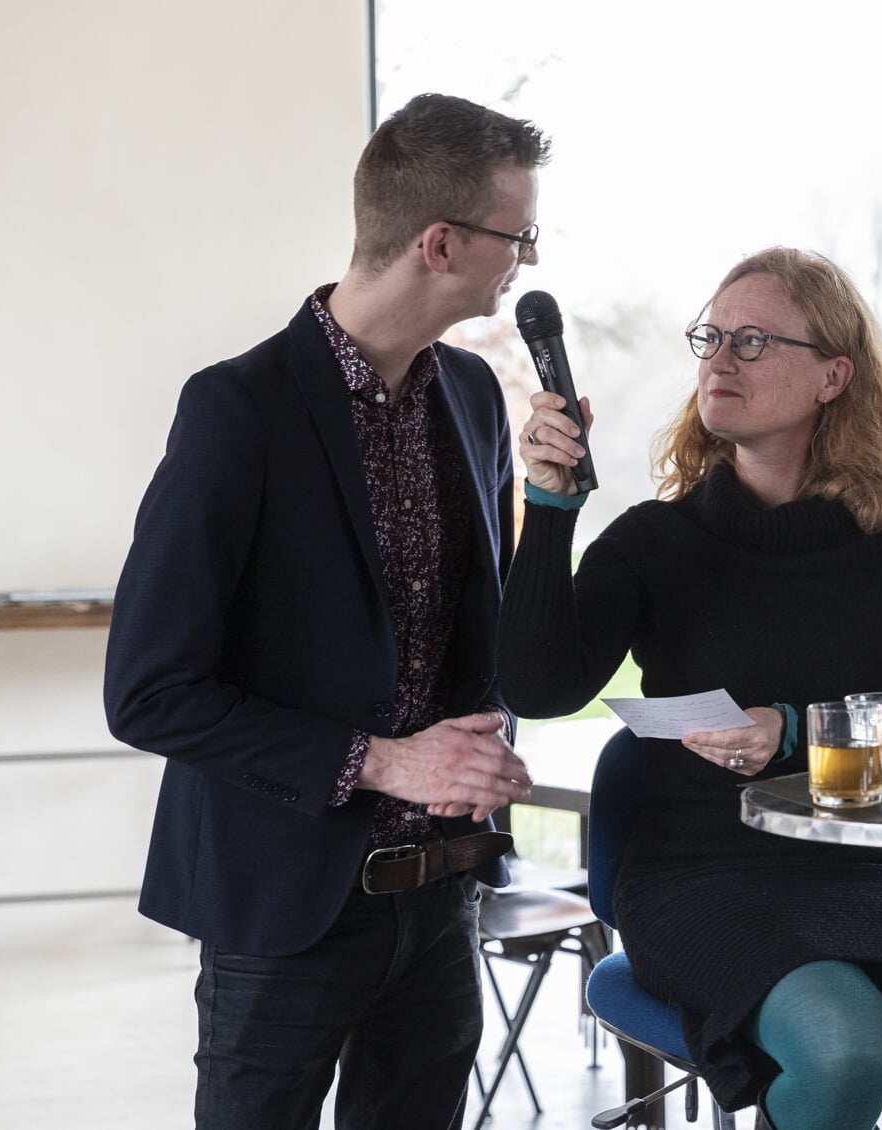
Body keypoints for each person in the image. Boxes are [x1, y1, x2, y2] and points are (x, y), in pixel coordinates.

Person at [103, 93, 548, 1130]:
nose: (528, 258)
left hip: (440, 900)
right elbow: (149, 692)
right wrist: (386, 760)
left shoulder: (478, 398)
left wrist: (481, 759)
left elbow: (482, 651)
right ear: (440, 242)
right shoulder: (236, 410)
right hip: (283, 908)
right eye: (517, 234)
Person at [497, 247, 882, 1129]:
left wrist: (792, 733)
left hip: (869, 870)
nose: (717, 360)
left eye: (753, 341)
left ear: (832, 377)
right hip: (700, 871)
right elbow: (537, 686)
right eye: (710, 337)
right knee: (844, 1040)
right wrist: (548, 509)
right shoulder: (655, 540)